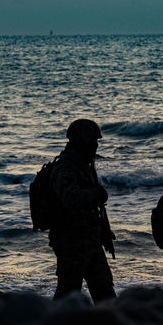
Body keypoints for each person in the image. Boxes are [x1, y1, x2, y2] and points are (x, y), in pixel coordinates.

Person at [48, 119, 116, 302]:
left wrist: (104, 232)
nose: (95, 145)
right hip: (71, 242)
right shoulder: (65, 167)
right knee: (68, 295)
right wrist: (96, 194)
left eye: (96, 141)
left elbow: (96, 207)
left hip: (90, 240)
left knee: (105, 291)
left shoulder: (84, 165)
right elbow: (71, 198)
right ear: (79, 141)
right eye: (92, 140)